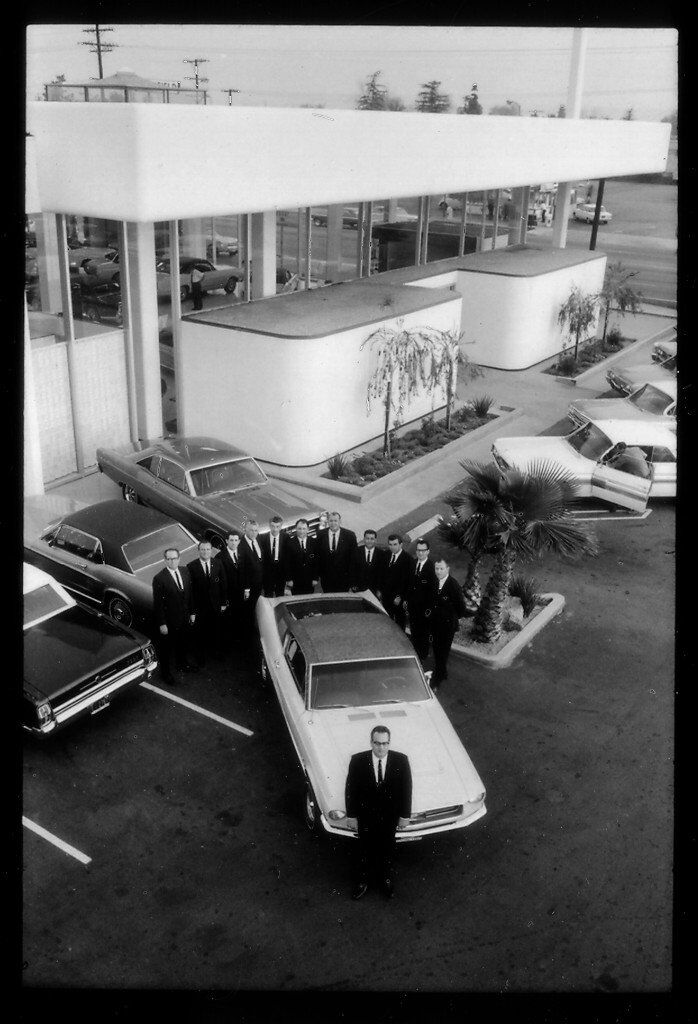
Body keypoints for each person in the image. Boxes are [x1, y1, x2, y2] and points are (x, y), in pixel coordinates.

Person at [345, 726, 412, 900]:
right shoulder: (358, 760)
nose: (381, 748)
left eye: (385, 743)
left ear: (389, 743)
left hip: (389, 818)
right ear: (371, 742)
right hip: (366, 817)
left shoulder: (401, 760)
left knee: (387, 849)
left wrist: (404, 816)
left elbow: (406, 789)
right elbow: (351, 789)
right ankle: (363, 881)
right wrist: (351, 815)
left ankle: (386, 879)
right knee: (364, 850)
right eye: (377, 743)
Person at [152, 548, 196, 686]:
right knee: (166, 648)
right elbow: (158, 604)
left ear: (179, 558)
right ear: (165, 560)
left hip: (184, 617)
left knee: (183, 642)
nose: (172, 561)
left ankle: (182, 663)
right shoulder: (159, 578)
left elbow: (190, 594)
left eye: (175, 558)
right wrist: (162, 623)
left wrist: (192, 612)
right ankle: (165, 673)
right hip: (169, 621)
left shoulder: (185, 571)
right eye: (169, 559)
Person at [187, 540, 227, 667]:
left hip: (215, 605)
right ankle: (200, 657)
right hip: (200, 607)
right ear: (198, 551)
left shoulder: (218, 563)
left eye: (208, 549)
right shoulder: (191, 566)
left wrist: (223, 602)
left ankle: (216, 652)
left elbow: (223, 584)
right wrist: (192, 610)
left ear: (211, 550)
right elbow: (190, 591)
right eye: (202, 550)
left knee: (216, 629)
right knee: (200, 633)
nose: (205, 552)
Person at [429, 559, 467, 691]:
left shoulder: (453, 585)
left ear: (448, 569)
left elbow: (461, 608)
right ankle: (442, 673)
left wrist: (450, 617)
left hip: (447, 626)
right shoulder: (434, 581)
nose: (438, 571)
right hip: (435, 624)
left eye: (441, 569)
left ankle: (436, 681)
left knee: (442, 653)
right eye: (436, 569)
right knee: (436, 650)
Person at [404, 538, 437, 664]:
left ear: (428, 551)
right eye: (418, 550)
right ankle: (415, 652)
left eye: (423, 551)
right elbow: (409, 583)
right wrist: (407, 599)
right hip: (413, 605)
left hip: (424, 608)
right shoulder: (412, 563)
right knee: (414, 629)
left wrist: (429, 609)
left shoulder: (432, 567)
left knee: (423, 632)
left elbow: (433, 591)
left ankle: (422, 655)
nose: (420, 553)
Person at [215, 531, 245, 650]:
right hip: (228, 594)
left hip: (240, 593)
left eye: (236, 540)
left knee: (240, 616)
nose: (233, 543)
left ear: (239, 541)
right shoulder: (220, 557)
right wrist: (223, 598)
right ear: (226, 541)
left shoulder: (243, 553)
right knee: (228, 620)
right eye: (231, 540)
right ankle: (228, 644)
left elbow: (244, 572)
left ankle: (239, 639)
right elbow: (220, 580)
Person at [316, 511, 357, 593]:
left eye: (335, 521)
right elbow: (318, 555)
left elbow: (354, 558)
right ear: (327, 521)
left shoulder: (350, 535)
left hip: (343, 578)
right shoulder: (321, 534)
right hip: (326, 578)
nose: (333, 523)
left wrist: (352, 579)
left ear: (340, 522)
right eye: (331, 521)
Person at [239, 520, 265, 642]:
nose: (254, 533)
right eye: (251, 530)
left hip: (258, 583)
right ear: (245, 530)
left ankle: (253, 626)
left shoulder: (258, 539)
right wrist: (246, 588)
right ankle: (247, 633)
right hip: (248, 585)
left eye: (256, 530)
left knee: (255, 605)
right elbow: (242, 569)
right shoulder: (240, 545)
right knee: (247, 608)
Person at [382, 534, 414, 632]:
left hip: (398, 598)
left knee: (400, 624)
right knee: (386, 621)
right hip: (386, 596)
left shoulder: (408, 559)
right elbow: (382, 574)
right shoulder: (386, 555)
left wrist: (401, 596)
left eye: (395, 544)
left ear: (401, 544)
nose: (392, 547)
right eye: (390, 544)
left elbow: (409, 581)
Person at [284, 519, 319, 595]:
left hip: (309, 580)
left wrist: (315, 578)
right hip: (295, 580)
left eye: (304, 529)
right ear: (296, 529)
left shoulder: (314, 542)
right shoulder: (289, 543)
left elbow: (317, 562)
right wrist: (289, 579)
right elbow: (287, 563)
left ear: (308, 529)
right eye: (299, 528)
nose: (301, 531)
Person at [259, 516, 290, 598]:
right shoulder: (262, 538)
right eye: (272, 526)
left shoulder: (286, 537)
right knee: (268, 594)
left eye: (277, 527)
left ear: (281, 527)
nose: (275, 529)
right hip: (268, 571)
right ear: (269, 525)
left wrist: (287, 574)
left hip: (280, 570)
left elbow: (287, 556)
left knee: (280, 594)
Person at [351, 529, 387, 600]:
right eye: (367, 538)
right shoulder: (356, 551)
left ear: (375, 540)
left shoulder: (382, 554)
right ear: (364, 539)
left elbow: (383, 573)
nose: (369, 541)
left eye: (372, 539)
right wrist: (353, 585)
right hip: (359, 589)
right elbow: (352, 569)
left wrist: (380, 590)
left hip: (375, 590)